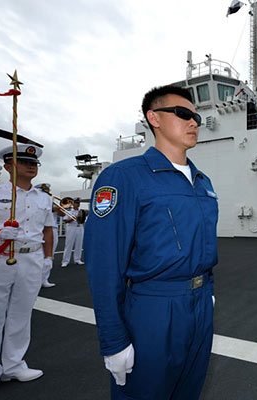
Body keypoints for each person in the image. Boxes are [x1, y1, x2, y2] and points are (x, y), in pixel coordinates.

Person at [84, 85, 218, 399]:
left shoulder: (203, 182)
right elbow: (104, 264)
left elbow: (204, 245)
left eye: (196, 116)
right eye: (183, 114)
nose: (194, 122)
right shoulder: (124, 177)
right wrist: (113, 340)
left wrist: (206, 292)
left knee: (188, 392)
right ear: (153, 118)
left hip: (201, 306)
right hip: (154, 309)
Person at [0, 144, 54, 383]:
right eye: (25, 162)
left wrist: (48, 258)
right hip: (1, 257)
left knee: (21, 314)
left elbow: (48, 230)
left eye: (34, 164)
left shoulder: (44, 198)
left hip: (32, 258)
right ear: (8, 166)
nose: (31, 166)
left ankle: (13, 365)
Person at [35, 183, 58, 288]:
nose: (47, 192)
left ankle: (45, 278)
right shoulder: (38, 201)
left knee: (49, 255)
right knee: (38, 255)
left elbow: (60, 213)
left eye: (47, 190)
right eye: (44, 190)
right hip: (40, 229)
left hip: (52, 229)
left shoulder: (49, 200)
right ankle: (36, 279)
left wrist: (60, 207)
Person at [61, 198, 84, 267]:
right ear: (73, 203)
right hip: (72, 227)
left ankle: (77, 259)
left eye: (78, 203)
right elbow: (65, 220)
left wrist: (80, 218)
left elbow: (83, 220)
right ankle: (65, 261)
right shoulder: (69, 211)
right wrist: (72, 219)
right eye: (76, 203)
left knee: (79, 244)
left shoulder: (81, 211)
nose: (78, 204)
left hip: (80, 227)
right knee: (69, 244)